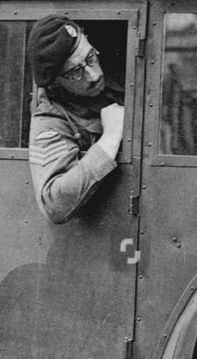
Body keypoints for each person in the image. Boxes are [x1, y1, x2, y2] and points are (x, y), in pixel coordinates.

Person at [27, 14, 126, 223]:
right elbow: (53, 203)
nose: (94, 75)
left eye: (91, 57)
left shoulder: (120, 77)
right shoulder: (50, 120)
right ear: (56, 82)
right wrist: (110, 137)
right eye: (75, 72)